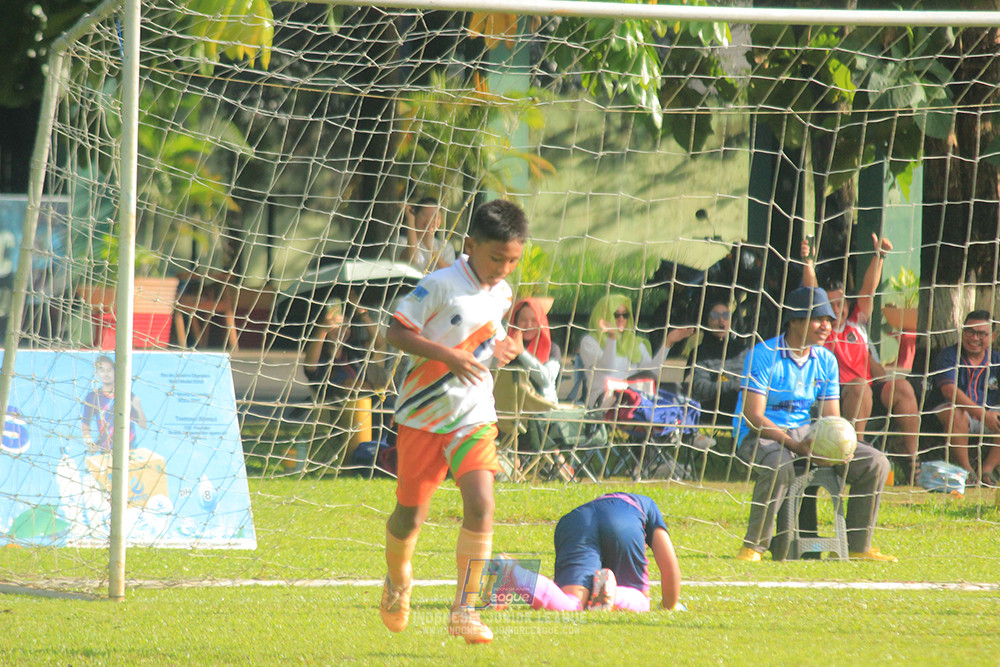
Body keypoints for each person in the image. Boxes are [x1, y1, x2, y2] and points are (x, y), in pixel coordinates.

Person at [378, 199, 528, 645]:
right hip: (423, 417)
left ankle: (465, 608)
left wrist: (505, 349)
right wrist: (449, 355)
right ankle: (397, 578)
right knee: (410, 516)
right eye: (495, 258)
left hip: (473, 416)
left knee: (482, 503)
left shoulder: (501, 294)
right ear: (471, 245)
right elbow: (396, 331)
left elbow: (490, 339)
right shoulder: (440, 285)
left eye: (512, 260)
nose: (503, 268)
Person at [734, 286, 896, 563]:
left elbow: (830, 418)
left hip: (806, 433)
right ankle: (754, 547)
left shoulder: (826, 360)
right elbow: (753, 416)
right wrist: (795, 445)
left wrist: (835, 447)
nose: (826, 326)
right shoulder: (763, 355)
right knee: (780, 467)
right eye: (819, 319)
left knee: (876, 462)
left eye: (830, 321)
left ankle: (858, 547)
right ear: (794, 320)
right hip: (759, 436)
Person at [801, 234, 920, 480]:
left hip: (869, 391)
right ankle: (856, 450)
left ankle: (912, 459)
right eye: (832, 304)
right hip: (837, 395)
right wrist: (808, 261)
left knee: (903, 388)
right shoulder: (821, 331)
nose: (838, 308)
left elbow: (868, 290)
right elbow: (811, 291)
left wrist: (880, 256)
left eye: (841, 302)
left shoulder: (856, 323)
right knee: (859, 386)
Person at [490, 492, 682, 612]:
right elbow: (670, 567)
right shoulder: (648, 505)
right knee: (640, 599)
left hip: (575, 521)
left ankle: (514, 574)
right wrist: (669, 606)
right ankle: (614, 596)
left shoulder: (604, 504)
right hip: (625, 521)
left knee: (572, 604)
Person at [578, 293, 695, 408]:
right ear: (604, 316)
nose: (621, 319)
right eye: (616, 315)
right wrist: (612, 338)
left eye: (625, 315)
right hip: (604, 400)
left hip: (635, 398)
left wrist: (668, 343)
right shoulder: (590, 342)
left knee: (679, 390)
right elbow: (607, 368)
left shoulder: (635, 343)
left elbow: (651, 374)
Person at [925, 310, 1000, 487]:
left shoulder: (997, 359)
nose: (974, 338)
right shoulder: (948, 356)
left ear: (992, 336)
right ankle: (967, 471)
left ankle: (988, 469)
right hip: (950, 412)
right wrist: (983, 415)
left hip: (988, 414)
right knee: (954, 413)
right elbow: (950, 391)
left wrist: (988, 415)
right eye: (970, 331)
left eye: (981, 333)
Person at [301, 296, 389, 403]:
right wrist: (322, 330)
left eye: (346, 326)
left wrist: (362, 314)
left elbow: (378, 342)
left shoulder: (353, 351)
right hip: (335, 406)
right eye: (337, 326)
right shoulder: (320, 356)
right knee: (349, 384)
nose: (342, 331)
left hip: (366, 401)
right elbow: (310, 366)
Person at [687, 301, 749, 421]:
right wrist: (733, 385)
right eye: (715, 316)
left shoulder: (743, 350)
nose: (721, 321)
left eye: (726, 316)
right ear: (708, 322)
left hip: (743, 406)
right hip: (712, 408)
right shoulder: (700, 352)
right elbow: (699, 388)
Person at [81, 355, 148, 453]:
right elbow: (85, 425)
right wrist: (90, 444)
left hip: (128, 448)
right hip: (106, 449)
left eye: (109, 370)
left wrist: (138, 407)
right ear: (97, 373)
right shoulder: (92, 397)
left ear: (115, 372)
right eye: (102, 370)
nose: (106, 374)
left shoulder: (127, 396)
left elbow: (143, 425)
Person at [507, 297, 561, 403]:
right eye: (523, 320)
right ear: (515, 323)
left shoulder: (553, 349)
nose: (529, 325)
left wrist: (522, 353)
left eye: (534, 320)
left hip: (542, 409)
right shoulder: (507, 348)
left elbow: (546, 380)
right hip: (513, 408)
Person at [397, 197, 457, 273]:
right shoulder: (401, 241)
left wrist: (430, 247)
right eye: (425, 215)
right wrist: (410, 219)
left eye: (435, 216)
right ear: (415, 216)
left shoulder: (446, 247)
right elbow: (412, 259)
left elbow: (449, 273)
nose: (430, 220)